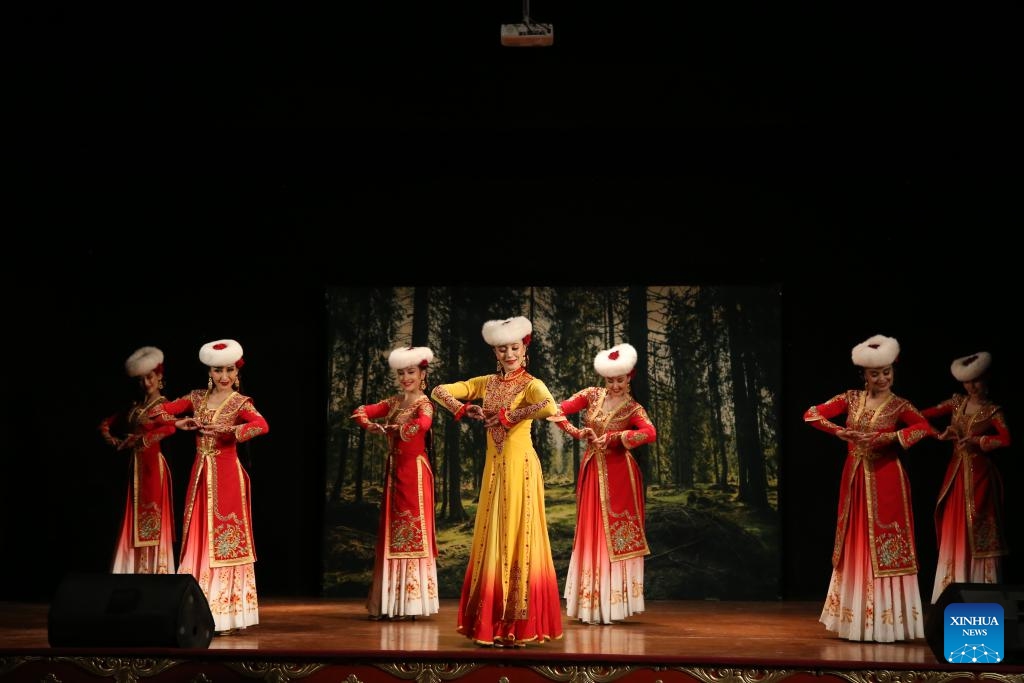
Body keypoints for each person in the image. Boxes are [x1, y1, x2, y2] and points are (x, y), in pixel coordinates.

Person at [430, 315, 563, 647]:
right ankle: (491, 623)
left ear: (524, 349)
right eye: (503, 349)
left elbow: (549, 405)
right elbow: (437, 390)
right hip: (495, 471)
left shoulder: (531, 382)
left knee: (519, 535)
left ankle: (518, 624)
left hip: (521, 470)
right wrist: (462, 409)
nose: (509, 354)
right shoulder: (486, 383)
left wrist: (510, 415)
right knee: (493, 538)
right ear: (496, 353)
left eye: (514, 348)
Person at [803, 334, 935, 642]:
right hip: (855, 479)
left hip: (887, 479)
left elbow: (923, 427)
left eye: (887, 371)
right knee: (857, 541)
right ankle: (857, 619)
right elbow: (811, 413)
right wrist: (840, 432)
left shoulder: (899, 405)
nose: (883, 378)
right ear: (863, 375)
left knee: (886, 544)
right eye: (875, 373)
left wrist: (889, 439)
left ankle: (889, 621)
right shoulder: (850, 399)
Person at [151, 338, 269, 634]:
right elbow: (159, 413)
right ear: (210, 372)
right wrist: (180, 424)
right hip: (201, 473)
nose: (224, 376)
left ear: (237, 372)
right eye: (218, 370)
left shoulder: (241, 403)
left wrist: (231, 430)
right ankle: (195, 608)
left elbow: (261, 425)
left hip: (228, 476)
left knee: (224, 541)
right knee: (198, 538)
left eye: (229, 369)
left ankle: (227, 614)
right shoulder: (197, 398)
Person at [549, 342, 655, 625]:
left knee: (614, 535)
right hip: (593, 470)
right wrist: (577, 432)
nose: (615, 385)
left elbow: (650, 433)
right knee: (591, 532)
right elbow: (556, 410)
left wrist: (614, 439)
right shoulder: (592, 395)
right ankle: (590, 602)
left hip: (620, 474)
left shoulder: (633, 408)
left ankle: (614, 604)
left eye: (620, 379)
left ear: (628, 377)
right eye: (610, 379)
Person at [351, 345, 440, 621]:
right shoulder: (394, 402)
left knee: (410, 532)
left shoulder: (424, 403)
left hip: (413, 472)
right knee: (392, 532)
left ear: (422, 373)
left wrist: (398, 429)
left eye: (410, 372)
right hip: (394, 473)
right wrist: (368, 423)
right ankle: (389, 602)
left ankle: (410, 604)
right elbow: (362, 411)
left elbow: (423, 424)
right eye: (401, 373)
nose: (405, 378)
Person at [921, 351, 1011, 603]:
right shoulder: (956, 403)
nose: (972, 386)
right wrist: (940, 434)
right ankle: (951, 591)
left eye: (977, 380)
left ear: (987, 379)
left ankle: (983, 593)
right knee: (955, 528)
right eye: (968, 382)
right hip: (956, 474)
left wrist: (978, 441)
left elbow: (1005, 439)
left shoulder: (992, 411)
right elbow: (919, 416)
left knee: (979, 529)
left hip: (980, 477)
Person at [98, 345, 177, 574]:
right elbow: (105, 424)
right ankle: (130, 570)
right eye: (141, 379)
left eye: (150, 377)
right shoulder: (135, 407)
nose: (146, 383)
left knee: (152, 515)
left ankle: (155, 571)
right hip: (135, 468)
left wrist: (140, 440)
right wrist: (113, 440)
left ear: (159, 376)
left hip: (153, 468)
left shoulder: (163, 404)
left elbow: (170, 428)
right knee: (131, 515)